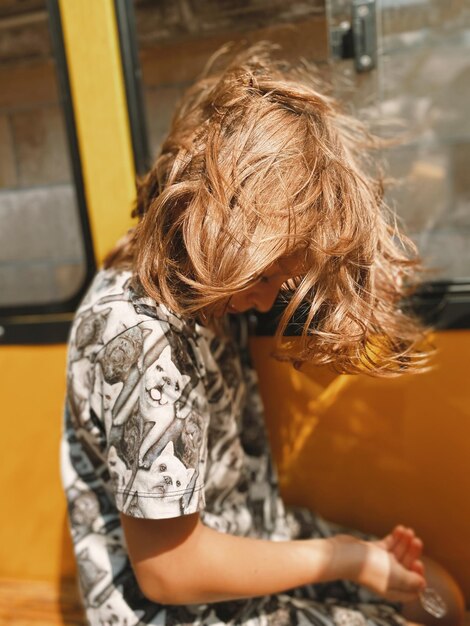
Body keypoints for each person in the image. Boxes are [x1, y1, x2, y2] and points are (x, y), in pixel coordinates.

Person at [61, 44, 465, 626]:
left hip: (251, 527)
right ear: (218, 224)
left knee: (440, 597)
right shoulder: (140, 333)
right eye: (270, 274)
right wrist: (348, 559)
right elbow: (169, 569)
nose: (272, 298)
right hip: (177, 606)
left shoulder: (207, 289)